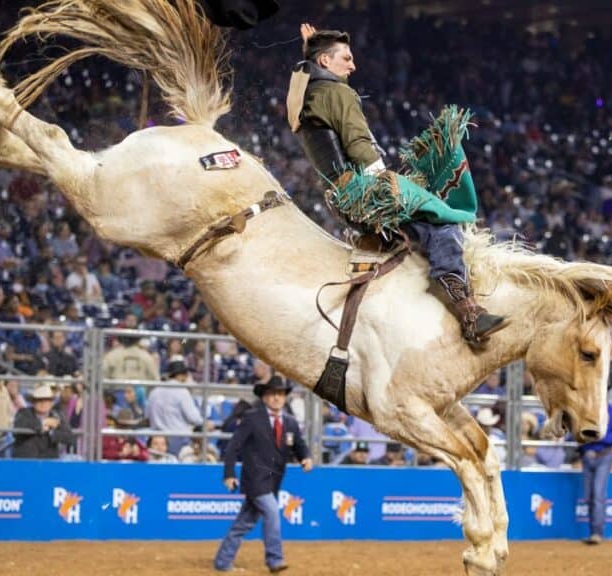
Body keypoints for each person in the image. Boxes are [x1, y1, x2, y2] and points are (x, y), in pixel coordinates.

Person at [287, 24, 506, 347]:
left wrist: (308, 54)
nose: (353, 65)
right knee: (444, 218)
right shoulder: (338, 93)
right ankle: (468, 311)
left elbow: (303, 84)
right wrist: (387, 182)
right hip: (363, 192)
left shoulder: (307, 95)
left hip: (341, 198)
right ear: (325, 62)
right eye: (346, 58)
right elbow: (359, 142)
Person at [214, 377, 312, 573]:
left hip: (274, 481)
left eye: (280, 394)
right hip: (255, 479)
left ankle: (223, 562)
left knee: (244, 523)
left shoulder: (290, 423)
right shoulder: (252, 418)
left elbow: (299, 445)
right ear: (265, 397)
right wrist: (229, 473)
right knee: (272, 512)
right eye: (272, 394)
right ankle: (275, 559)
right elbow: (233, 447)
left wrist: (306, 457)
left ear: (285, 397)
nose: (276, 398)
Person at [579, 403, 612, 545]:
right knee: (589, 496)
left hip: (604, 456)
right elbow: (577, 434)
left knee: (598, 495)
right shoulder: (586, 410)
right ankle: (593, 531)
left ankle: (597, 533)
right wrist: (589, 441)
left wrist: (597, 437)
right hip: (587, 456)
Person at [12, 384, 76, 459]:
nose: (43, 403)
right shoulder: (24, 413)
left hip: (49, 461)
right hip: (27, 460)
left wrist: (51, 432)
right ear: (33, 402)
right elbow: (18, 427)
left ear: (51, 403)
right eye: (39, 400)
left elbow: (70, 437)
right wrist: (43, 423)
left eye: (47, 400)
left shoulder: (57, 415)